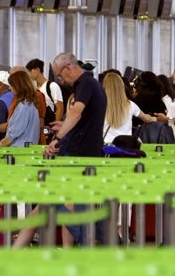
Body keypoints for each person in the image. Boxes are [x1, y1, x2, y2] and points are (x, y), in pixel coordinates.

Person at [14, 52, 107, 248]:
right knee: (63, 207)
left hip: (79, 159)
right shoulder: (92, 85)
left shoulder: (85, 84)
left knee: (56, 204)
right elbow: (82, 119)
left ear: (68, 67)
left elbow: (76, 112)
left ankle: (95, 244)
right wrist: (63, 128)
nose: (61, 80)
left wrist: (57, 139)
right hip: (84, 157)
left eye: (60, 75)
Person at [101, 70, 155, 144]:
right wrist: (158, 118)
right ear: (121, 86)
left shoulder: (100, 105)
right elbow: (147, 119)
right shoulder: (130, 105)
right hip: (125, 146)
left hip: (106, 147)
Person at [0, 69, 41, 147]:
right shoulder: (31, 104)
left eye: (11, 85)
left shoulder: (23, 107)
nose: (9, 88)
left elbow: (12, 136)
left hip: (18, 152)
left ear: (18, 86)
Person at [28, 58, 64, 123]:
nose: (29, 74)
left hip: (49, 124)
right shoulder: (33, 88)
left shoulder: (52, 86)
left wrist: (55, 125)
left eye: (30, 71)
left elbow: (60, 108)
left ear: (37, 70)